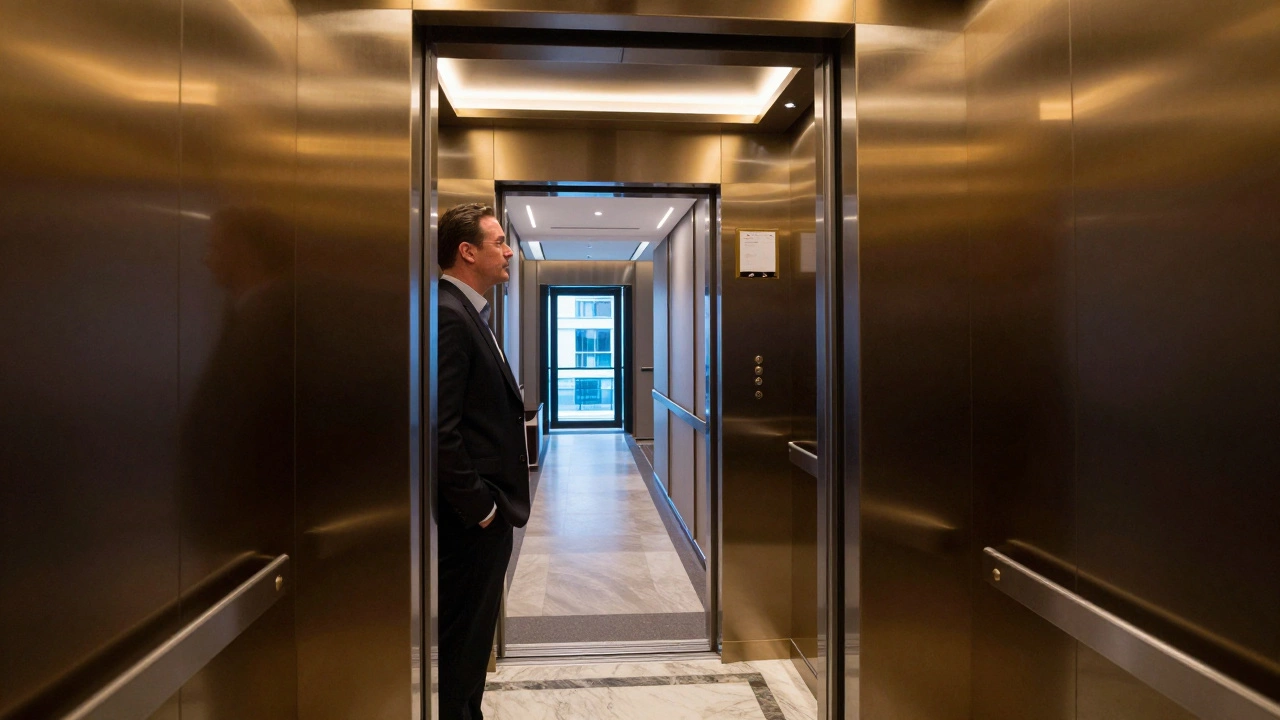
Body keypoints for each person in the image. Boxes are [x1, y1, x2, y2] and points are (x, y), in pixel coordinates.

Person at [436, 202, 530, 719]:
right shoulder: (450, 316)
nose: (509, 250)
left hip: (483, 515)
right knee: (462, 642)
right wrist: (482, 508)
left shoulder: (470, 311)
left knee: (472, 643)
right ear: (467, 252)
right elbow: (439, 432)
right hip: (472, 520)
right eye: (498, 242)